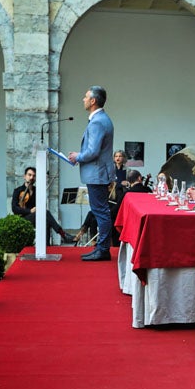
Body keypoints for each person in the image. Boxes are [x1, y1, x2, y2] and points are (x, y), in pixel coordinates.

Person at [68, 85, 115, 262]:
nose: (83, 99)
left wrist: (77, 156)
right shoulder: (101, 119)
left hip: (97, 173)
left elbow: (93, 151)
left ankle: (102, 249)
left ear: (93, 101)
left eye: (86, 97)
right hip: (99, 172)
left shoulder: (97, 121)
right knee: (100, 211)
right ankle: (101, 248)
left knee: (100, 211)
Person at [11, 167, 72, 245]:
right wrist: (29, 211)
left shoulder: (37, 191)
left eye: (34, 176)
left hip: (35, 218)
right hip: (22, 218)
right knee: (45, 213)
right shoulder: (18, 191)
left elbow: (41, 206)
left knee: (46, 220)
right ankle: (63, 234)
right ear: (24, 176)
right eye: (29, 175)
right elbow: (14, 208)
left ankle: (46, 246)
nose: (31, 177)